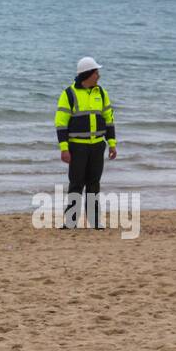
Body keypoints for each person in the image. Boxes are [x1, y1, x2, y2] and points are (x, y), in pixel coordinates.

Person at [55, 57, 117, 229]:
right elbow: (61, 123)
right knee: (76, 184)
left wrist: (112, 144)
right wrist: (64, 148)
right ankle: (71, 221)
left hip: (97, 146)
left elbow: (109, 120)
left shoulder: (102, 93)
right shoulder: (68, 94)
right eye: (96, 72)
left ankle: (95, 221)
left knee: (94, 184)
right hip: (77, 147)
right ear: (88, 74)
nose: (99, 75)